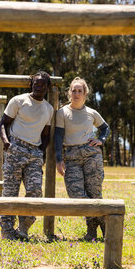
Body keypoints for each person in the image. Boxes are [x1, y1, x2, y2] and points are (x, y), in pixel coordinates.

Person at [0, 71, 54, 240]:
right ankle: (7, 232)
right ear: (31, 84)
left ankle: (23, 228)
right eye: (36, 83)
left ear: (47, 87)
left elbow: (46, 135)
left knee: (35, 190)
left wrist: (40, 152)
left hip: (34, 153)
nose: (38, 86)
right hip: (16, 148)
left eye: (42, 83)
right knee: (10, 192)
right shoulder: (18, 100)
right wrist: (7, 143)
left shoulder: (49, 109)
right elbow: (3, 124)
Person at [54, 77, 110, 241]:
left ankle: (93, 233)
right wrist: (59, 159)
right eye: (74, 90)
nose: (76, 93)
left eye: (80, 91)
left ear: (85, 94)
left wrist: (101, 140)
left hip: (92, 155)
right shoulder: (62, 112)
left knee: (94, 194)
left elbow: (105, 128)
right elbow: (58, 136)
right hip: (71, 156)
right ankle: (105, 220)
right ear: (69, 92)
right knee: (76, 195)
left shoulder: (91, 113)